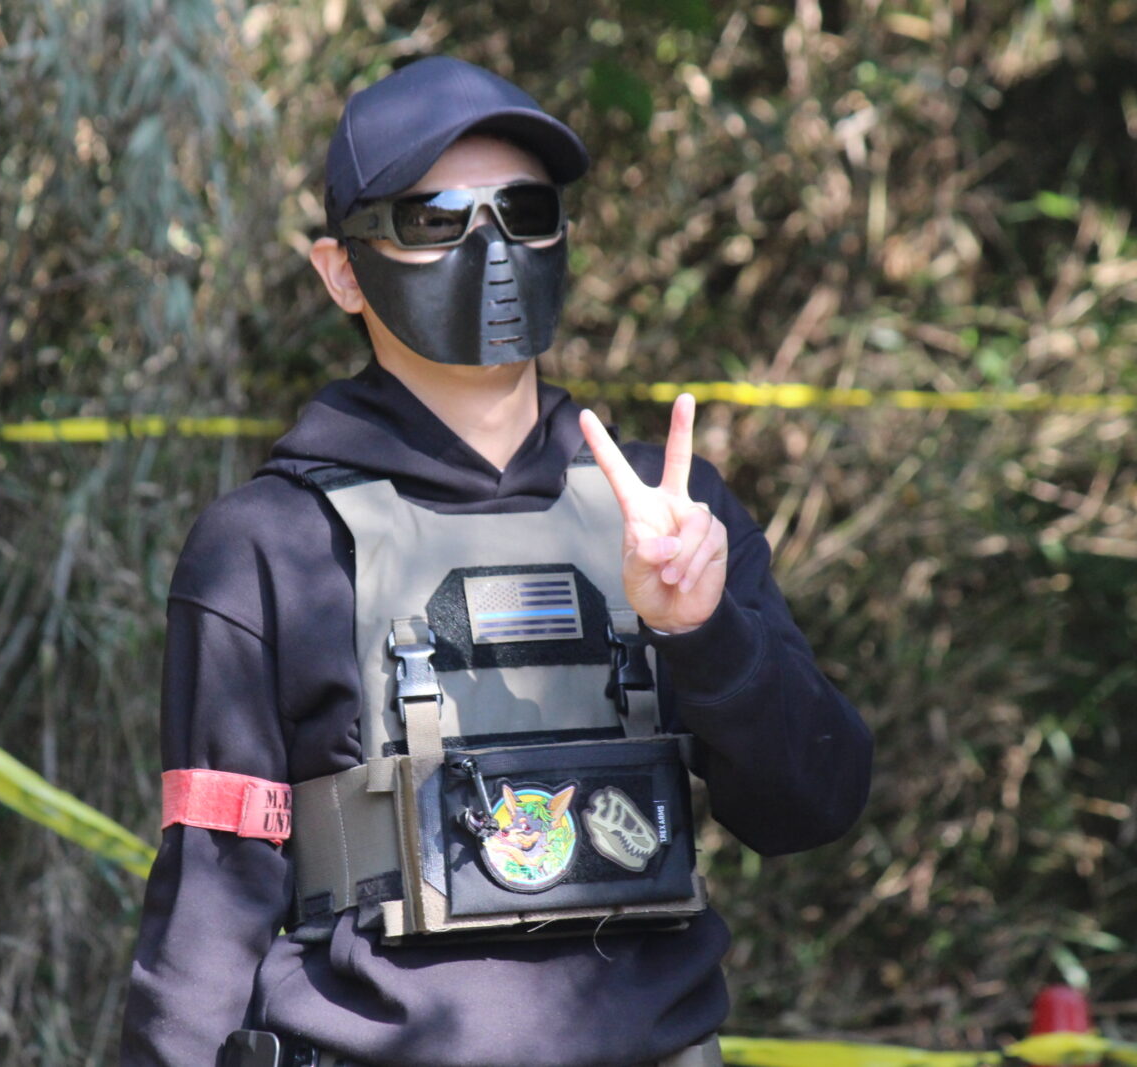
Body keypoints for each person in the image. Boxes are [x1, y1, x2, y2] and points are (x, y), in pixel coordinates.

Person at [120, 56, 872, 1067]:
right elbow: (210, 900)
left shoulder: (666, 515)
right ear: (342, 270)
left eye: (524, 209)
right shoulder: (270, 543)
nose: (492, 247)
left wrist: (704, 630)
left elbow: (812, 805)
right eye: (435, 218)